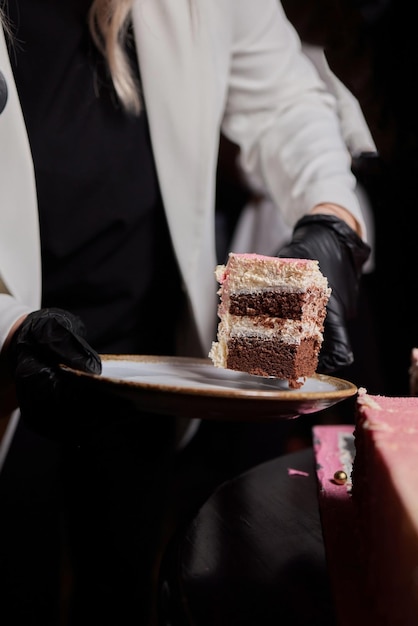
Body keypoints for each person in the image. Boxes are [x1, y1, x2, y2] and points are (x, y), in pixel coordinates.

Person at [0, 1, 371, 624]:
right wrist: (8, 334)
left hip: (143, 363)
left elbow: (284, 102)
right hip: (12, 359)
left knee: (123, 586)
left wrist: (330, 221)